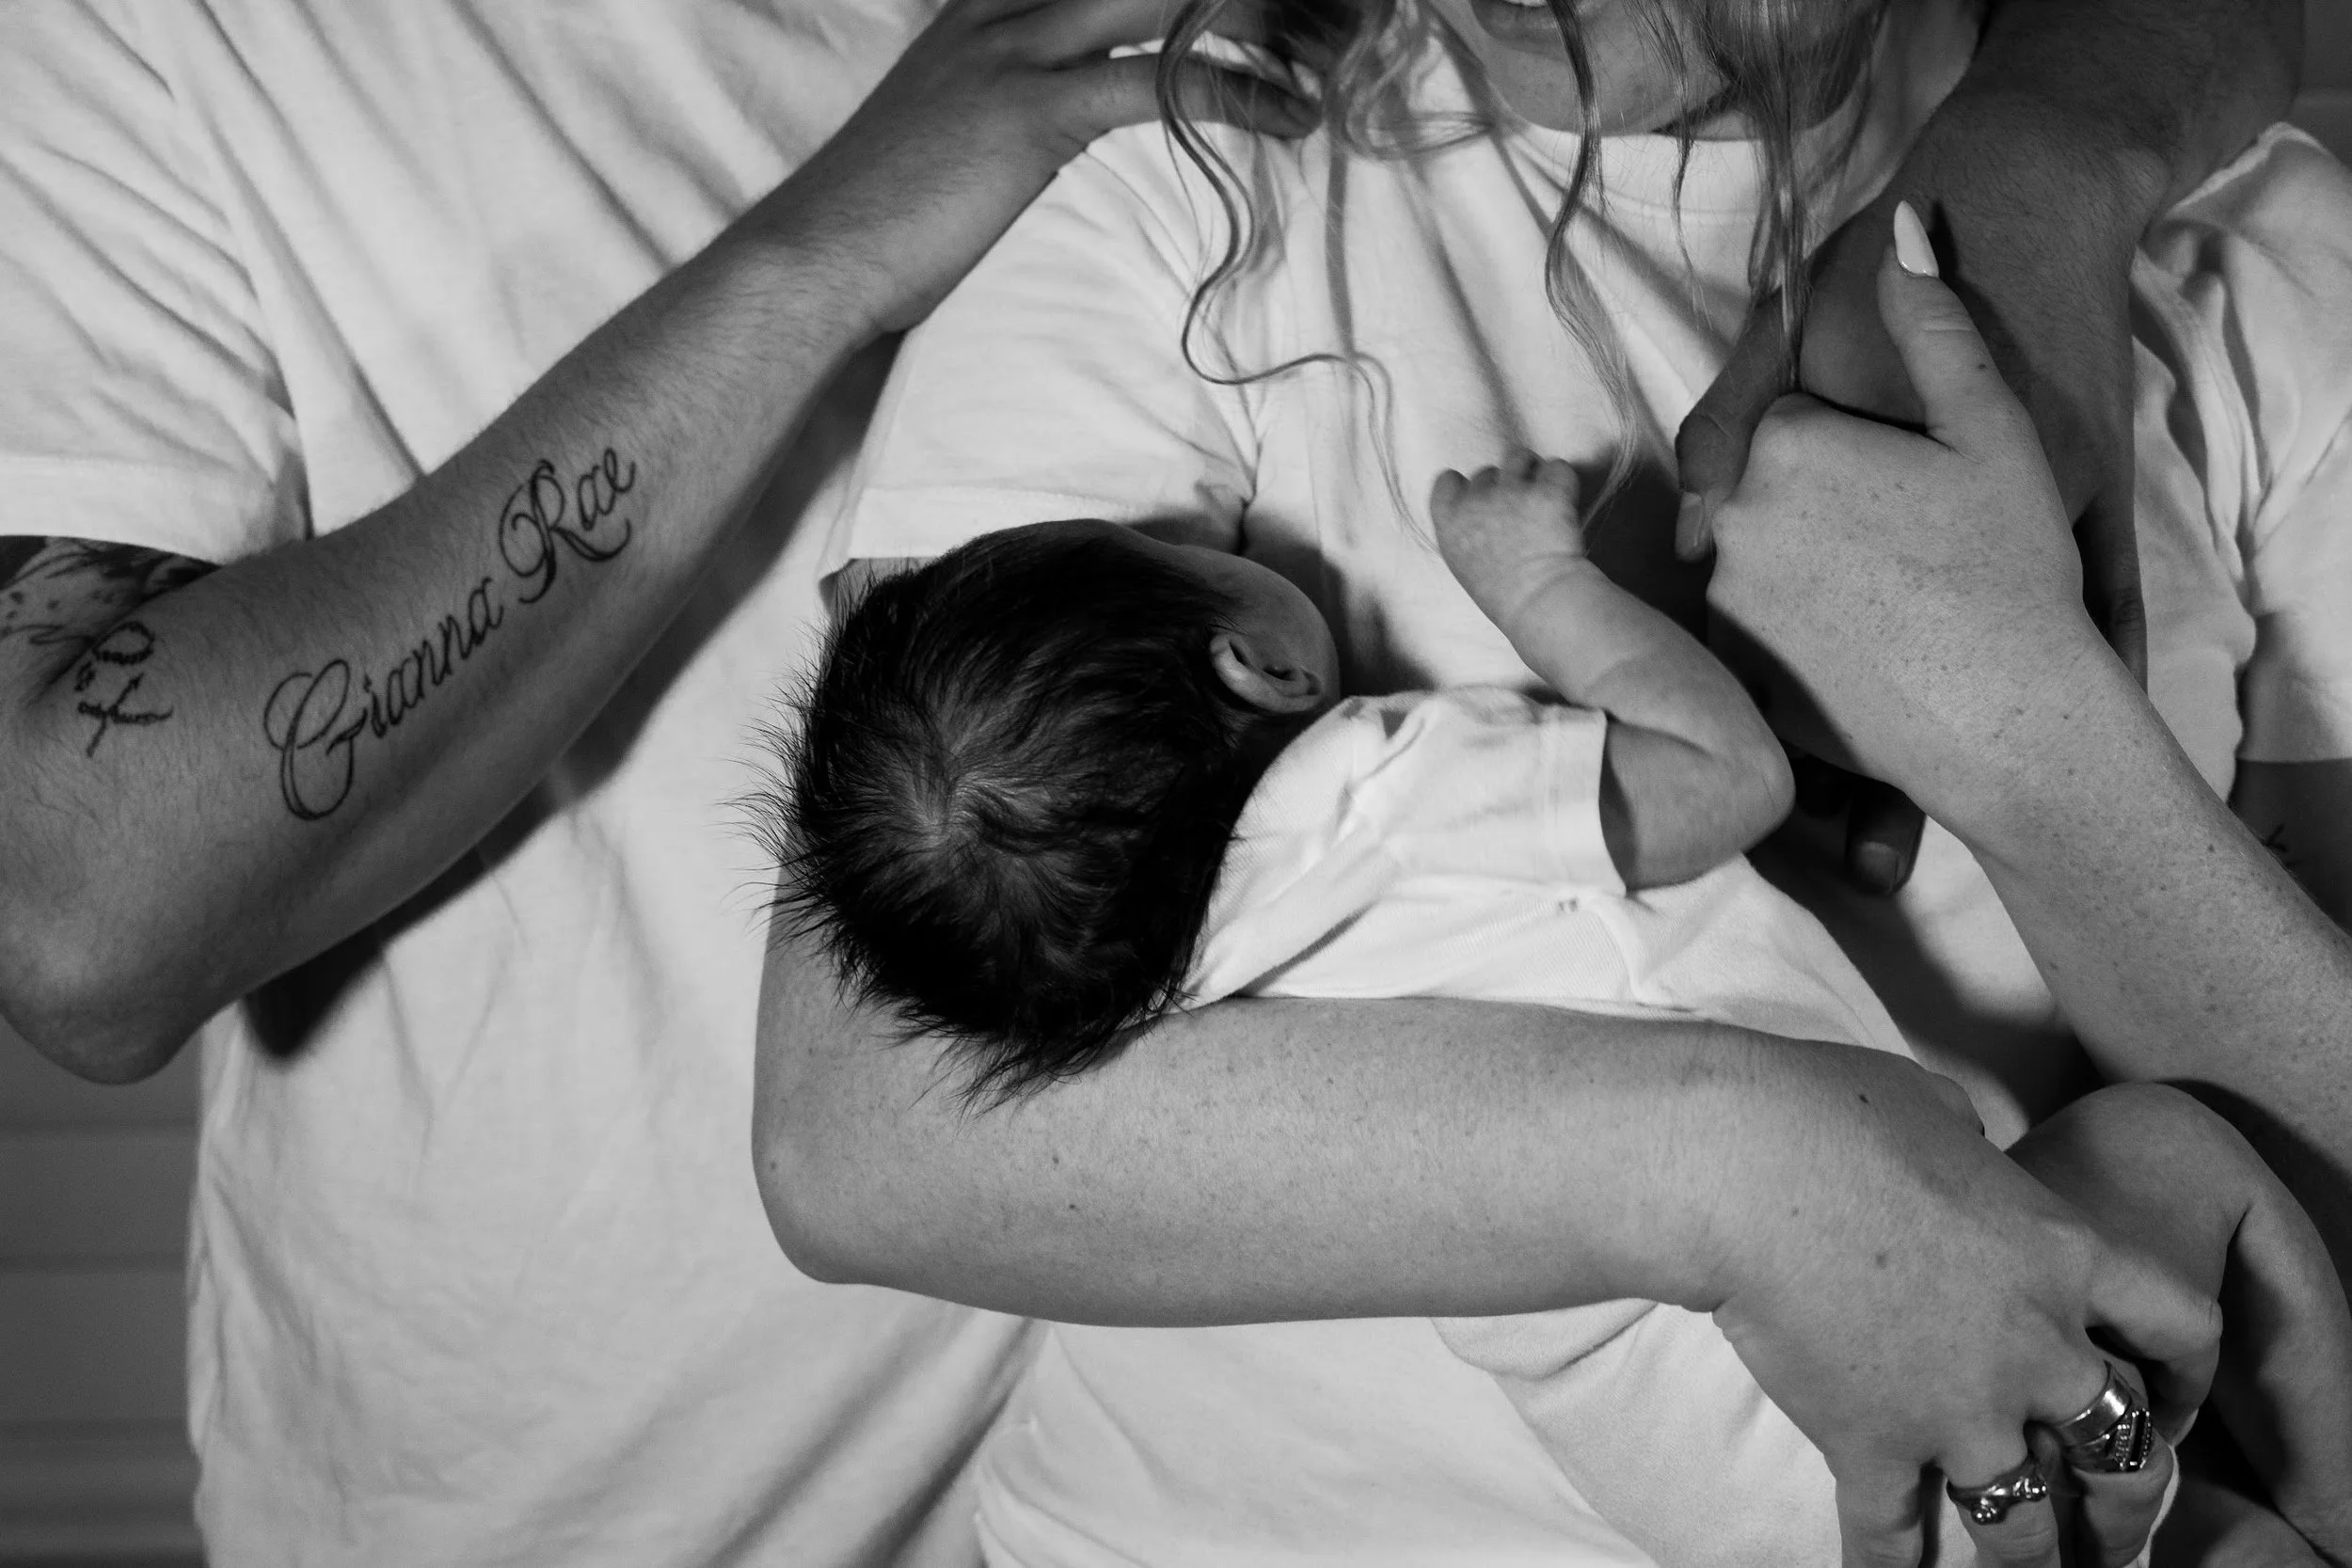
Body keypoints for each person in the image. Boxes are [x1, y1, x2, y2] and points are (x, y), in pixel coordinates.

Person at [0, 1, 2296, 1566]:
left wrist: (2055, 147)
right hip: (551, 1495)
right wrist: (821, 255)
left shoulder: (1260, 138)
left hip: (1108, 1436)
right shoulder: (198, 43)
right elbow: (87, 905)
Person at [759, 0, 2345, 1560]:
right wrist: (1744, 1167)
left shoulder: (2259, 264)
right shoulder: (1192, 166)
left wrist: (2023, 723)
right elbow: (862, 1129)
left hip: (1963, 1440)